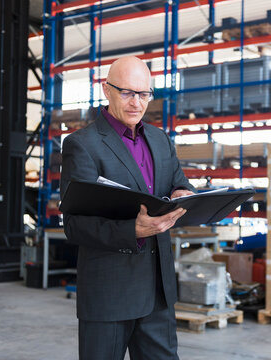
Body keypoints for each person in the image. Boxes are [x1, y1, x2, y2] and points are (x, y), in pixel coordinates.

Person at [60, 56, 195, 360]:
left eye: (144, 93)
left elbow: (179, 183)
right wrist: (130, 230)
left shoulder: (160, 140)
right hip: (110, 295)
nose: (137, 103)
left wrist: (183, 193)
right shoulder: (83, 145)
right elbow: (74, 224)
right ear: (106, 90)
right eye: (127, 93)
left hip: (158, 294)